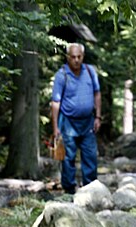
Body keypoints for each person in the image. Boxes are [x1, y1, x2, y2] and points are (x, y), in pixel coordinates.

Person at [51, 43, 102, 194]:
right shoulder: (62, 75)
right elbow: (55, 102)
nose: (76, 60)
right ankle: (69, 191)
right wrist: (55, 128)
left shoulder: (90, 71)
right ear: (68, 57)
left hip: (88, 122)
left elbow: (97, 93)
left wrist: (98, 116)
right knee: (68, 158)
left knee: (90, 156)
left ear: (83, 56)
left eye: (79, 57)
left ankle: (90, 191)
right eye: (73, 57)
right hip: (68, 122)